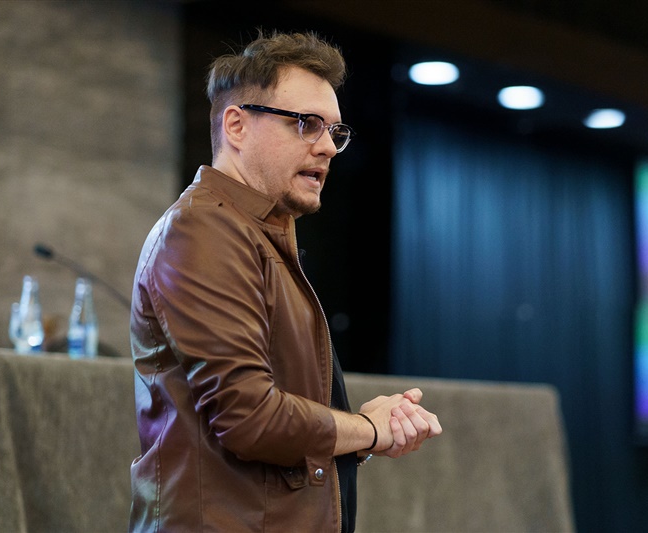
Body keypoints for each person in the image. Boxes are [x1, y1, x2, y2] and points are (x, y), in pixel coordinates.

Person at [129, 30, 442, 532]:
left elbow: (278, 429)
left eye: (334, 131)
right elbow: (250, 418)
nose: (329, 147)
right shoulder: (203, 230)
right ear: (236, 125)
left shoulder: (256, 233)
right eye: (307, 124)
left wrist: (363, 431)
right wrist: (368, 428)